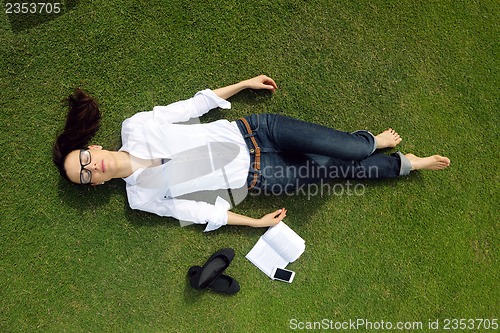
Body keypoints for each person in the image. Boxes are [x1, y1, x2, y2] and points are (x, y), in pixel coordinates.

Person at [53, 75, 450, 231]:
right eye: (86, 176)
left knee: (348, 147)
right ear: (97, 183)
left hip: (256, 130)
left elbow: (193, 106)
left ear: (93, 147)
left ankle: (369, 142)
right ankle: (406, 164)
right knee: (340, 170)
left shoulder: (135, 128)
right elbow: (201, 213)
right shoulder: (142, 196)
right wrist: (255, 223)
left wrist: (242, 85)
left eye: (85, 161)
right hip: (263, 177)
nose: (92, 168)